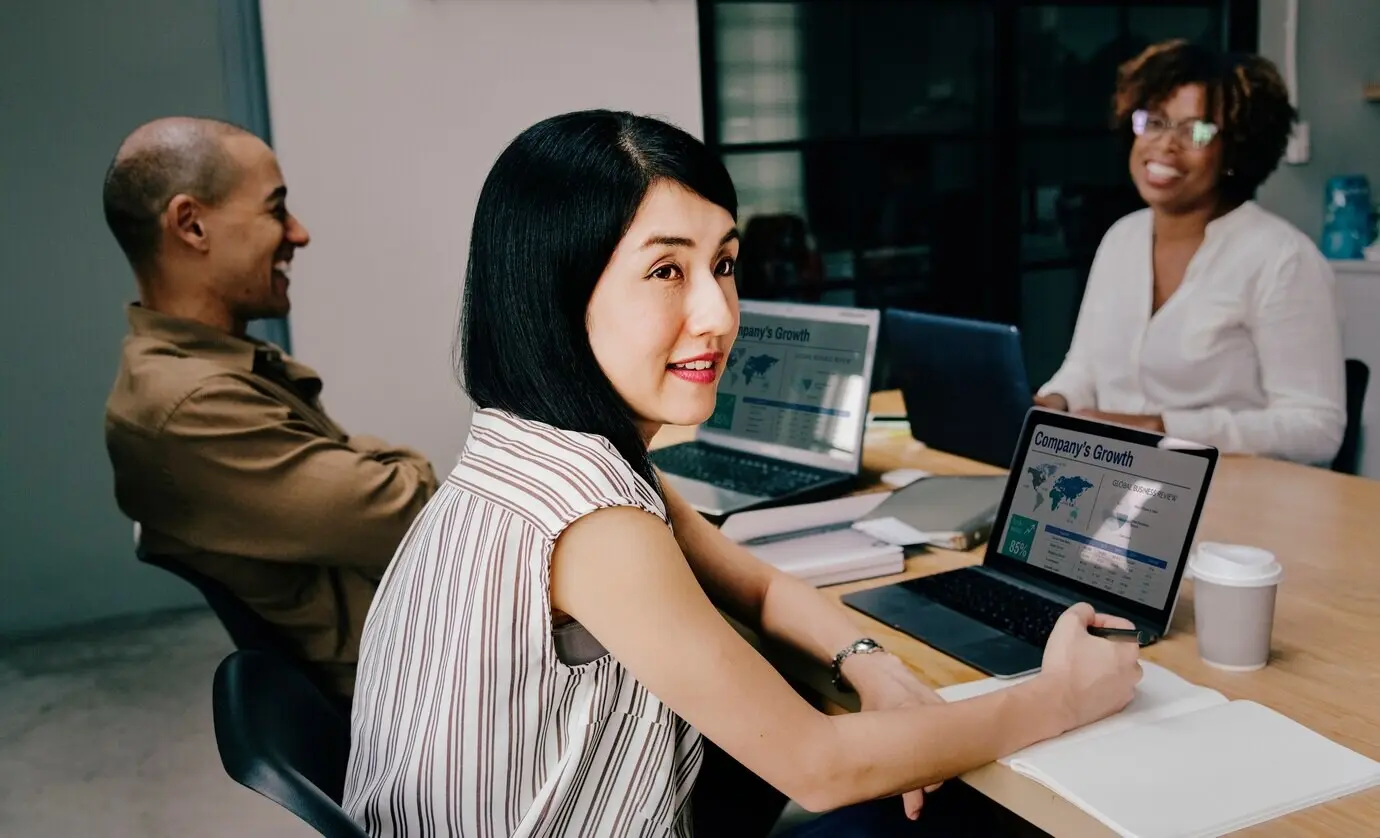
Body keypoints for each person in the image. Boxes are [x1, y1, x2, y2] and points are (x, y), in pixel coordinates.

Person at [341, 110, 1142, 838]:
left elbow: (758, 589)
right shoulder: (594, 522)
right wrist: (1064, 696)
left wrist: (872, 664)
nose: (720, 315)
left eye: (723, 264)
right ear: (555, 294)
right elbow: (821, 768)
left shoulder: (537, 446)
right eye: (666, 272)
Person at [102, 117, 439, 701]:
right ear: (192, 224)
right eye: (275, 210)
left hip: (427, 651)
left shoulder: (213, 366)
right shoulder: (189, 405)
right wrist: (390, 463)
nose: (298, 234)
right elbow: (411, 512)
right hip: (425, 695)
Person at [1035, 41, 1346, 466]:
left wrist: (1162, 428)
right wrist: (1053, 402)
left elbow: (1316, 428)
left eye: (1196, 130)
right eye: (1155, 122)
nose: (1165, 145)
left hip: (1238, 498)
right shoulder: (1121, 238)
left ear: (1235, 148)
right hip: (1111, 480)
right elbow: (1084, 369)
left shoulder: (1282, 258)